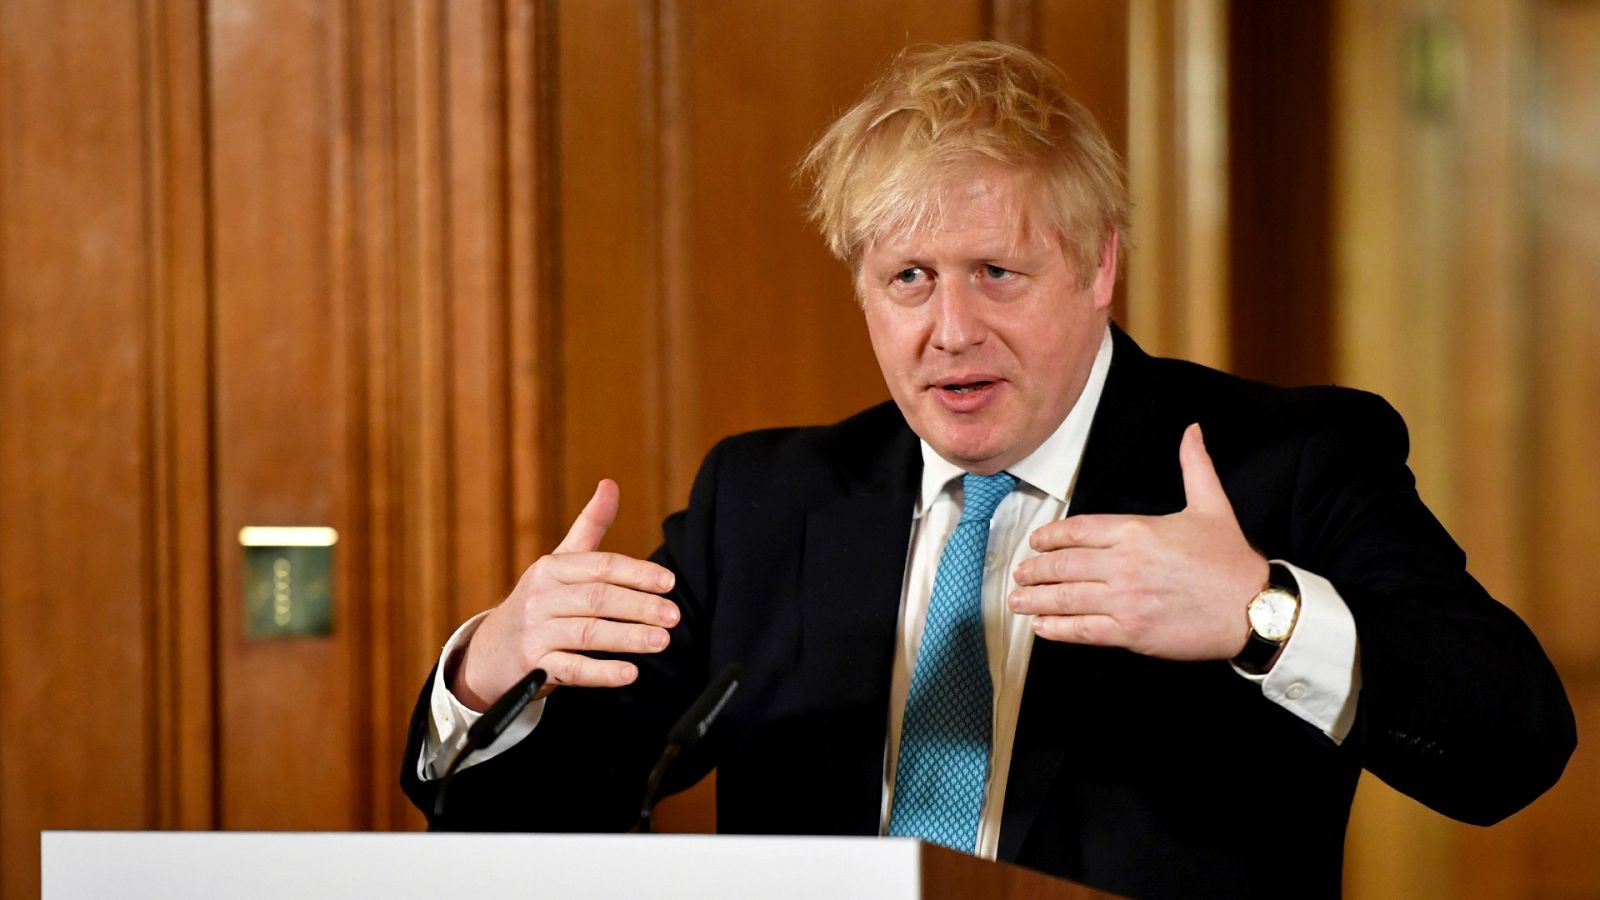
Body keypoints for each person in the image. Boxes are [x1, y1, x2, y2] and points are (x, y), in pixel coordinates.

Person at [401, 41, 1574, 898]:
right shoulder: (762, 504)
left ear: (1099, 267)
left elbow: (1511, 749)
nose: (948, 329)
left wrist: (1261, 615)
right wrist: (491, 663)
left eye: (996, 274)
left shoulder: (1283, 464)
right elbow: (524, 827)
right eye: (907, 278)